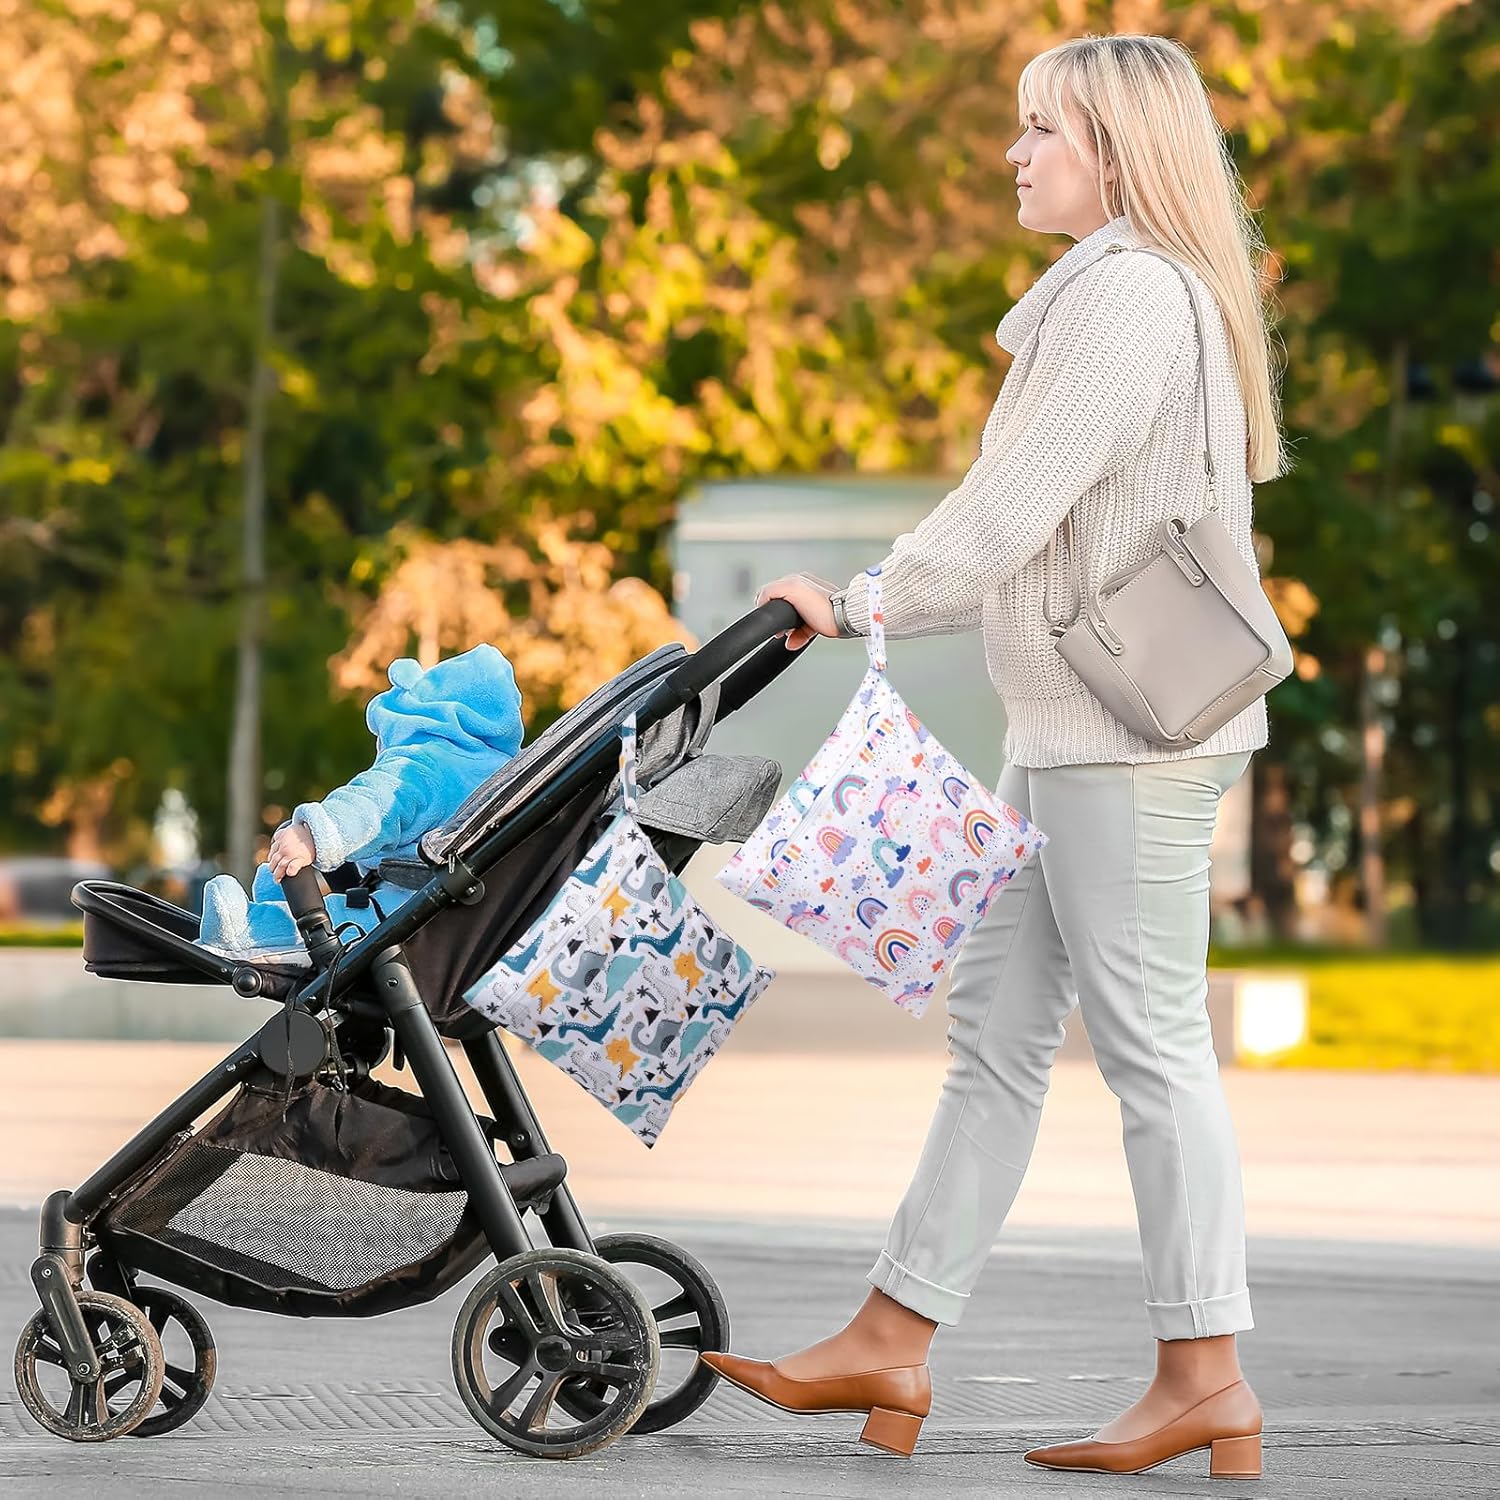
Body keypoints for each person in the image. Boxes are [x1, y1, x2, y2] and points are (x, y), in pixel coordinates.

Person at [699, 32, 1285, 1482]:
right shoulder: (1118, 289)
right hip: (1073, 730)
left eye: (1041, 129)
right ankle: (890, 1338)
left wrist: (858, 603)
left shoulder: (1130, 297)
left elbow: (1006, 511)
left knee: (1152, 1049)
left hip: (1127, 745)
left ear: (1116, 152)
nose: (1015, 154)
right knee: (999, 1038)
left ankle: (1205, 1375)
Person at [198, 644, 524, 956]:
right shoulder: (500, 774)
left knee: (342, 922)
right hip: (458, 919)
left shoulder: (426, 763)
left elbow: (373, 804)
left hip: (405, 916)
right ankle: (276, 905)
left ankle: (247, 930)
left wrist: (314, 835)